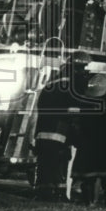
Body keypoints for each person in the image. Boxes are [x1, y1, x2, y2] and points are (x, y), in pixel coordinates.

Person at [71, 72, 106, 206]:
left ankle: (88, 202)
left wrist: (77, 139)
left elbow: (77, 123)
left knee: (88, 177)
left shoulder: (84, 103)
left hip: (88, 144)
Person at [33, 66, 74, 201]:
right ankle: (60, 192)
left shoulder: (48, 88)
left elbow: (40, 109)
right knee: (60, 162)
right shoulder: (69, 88)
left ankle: (42, 192)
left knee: (44, 162)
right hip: (60, 132)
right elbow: (72, 111)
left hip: (42, 131)